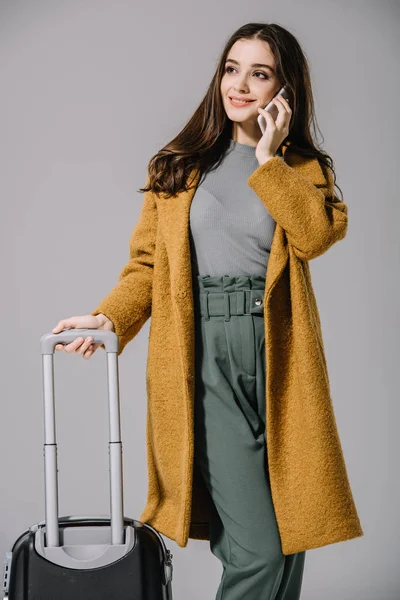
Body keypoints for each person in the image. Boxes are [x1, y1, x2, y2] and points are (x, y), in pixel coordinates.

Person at [52, 22, 363, 600]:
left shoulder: (302, 169)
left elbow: (315, 236)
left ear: (284, 88)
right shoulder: (180, 165)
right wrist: (109, 318)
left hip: (280, 355)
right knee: (259, 551)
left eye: (260, 73)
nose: (240, 84)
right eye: (231, 68)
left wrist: (269, 158)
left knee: (289, 538)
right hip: (203, 353)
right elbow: (147, 265)